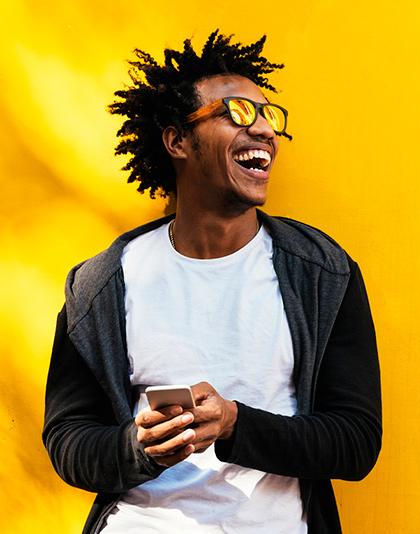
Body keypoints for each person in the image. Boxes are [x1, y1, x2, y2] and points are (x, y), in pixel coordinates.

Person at [42, 30, 381, 534]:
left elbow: (355, 443)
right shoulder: (102, 285)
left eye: (269, 115)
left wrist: (236, 424)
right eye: (239, 112)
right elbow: (68, 441)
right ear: (178, 140)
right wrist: (138, 450)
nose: (265, 129)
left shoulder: (323, 273)